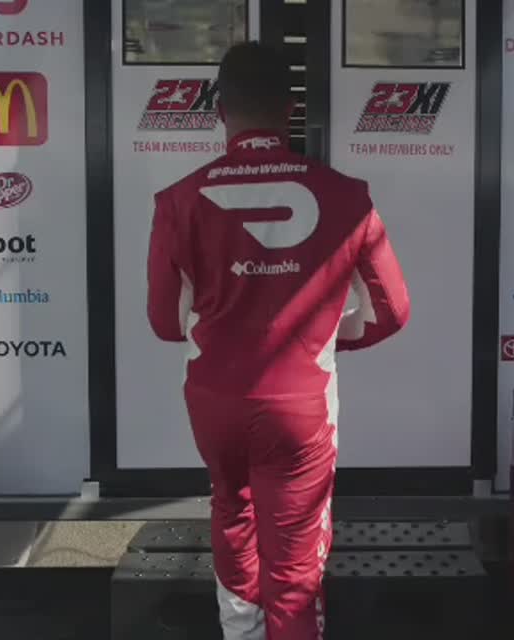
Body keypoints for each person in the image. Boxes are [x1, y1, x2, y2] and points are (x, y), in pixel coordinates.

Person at [146, 41, 411, 640]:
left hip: (214, 402)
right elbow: (392, 312)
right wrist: (324, 339)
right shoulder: (347, 196)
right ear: (291, 109)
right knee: (294, 569)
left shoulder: (177, 201)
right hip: (299, 405)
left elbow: (164, 322)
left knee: (232, 514)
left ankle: (241, 632)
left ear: (221, 110)